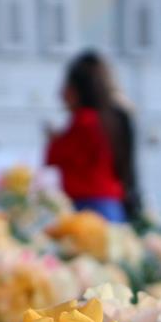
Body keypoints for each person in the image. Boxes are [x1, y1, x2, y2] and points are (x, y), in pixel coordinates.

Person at [45, 51, 141, 223]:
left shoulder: (85, 121)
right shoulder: (110, 118)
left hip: (88, 206)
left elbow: (54, 158)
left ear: (75, 91)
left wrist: (54, 140)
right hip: (111, 205)